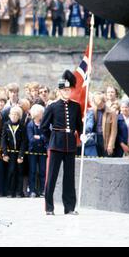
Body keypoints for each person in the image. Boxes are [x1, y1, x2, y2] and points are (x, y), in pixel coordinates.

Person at [41, 70, 82, 215]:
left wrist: (82, 135)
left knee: (69, 177)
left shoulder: (76, 106)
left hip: (70, 145)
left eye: (69, 90)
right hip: (56, 145)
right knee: (51, 176)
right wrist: (51, 140)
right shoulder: (52, 106)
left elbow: (79, 126)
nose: (67, 92)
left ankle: (69, 207)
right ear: (59, 91)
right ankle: (49, 207)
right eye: (64, 90)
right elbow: (44, 127)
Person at [1, 106, 27, 198]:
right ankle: (10, 191)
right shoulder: (5, 125)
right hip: (10, 153)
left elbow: (24, 142)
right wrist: (4, 153)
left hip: (19, 153)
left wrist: (21, 156)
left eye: (16, 114)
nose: (14, 116)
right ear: (9, 115)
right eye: (12, 114)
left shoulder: (22, 126)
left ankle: (19, 192)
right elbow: (3, 140)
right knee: (11, 171)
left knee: (19, 172)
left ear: (19, 116)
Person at [85, 92, 117, 157]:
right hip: (95, 139)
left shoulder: (112, 112)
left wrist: (110, 144)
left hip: (106, 140)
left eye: (100, 104)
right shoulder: (92, 111)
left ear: (104, 101)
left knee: (107, 160)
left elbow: (114, 131)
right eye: (96, 104)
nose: (98, 106)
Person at [27, 104, 48, 197]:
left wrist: (39, 137)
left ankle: (43, 190)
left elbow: (46, 136)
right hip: (33, 151)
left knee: (43, 171)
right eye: (41, 113)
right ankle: (32, 190)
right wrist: (41, 138)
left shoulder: (44, 124)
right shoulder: (30, 125)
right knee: (33, 171)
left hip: (43, 151)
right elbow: (31, 139)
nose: (43, 114)